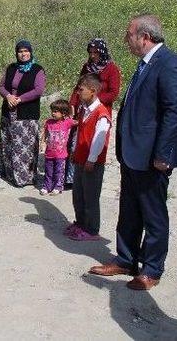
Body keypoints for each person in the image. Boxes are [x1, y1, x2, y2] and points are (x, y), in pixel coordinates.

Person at [89, 14, 177, 290]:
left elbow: (173, 112)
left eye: (129, 34)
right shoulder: (144, 65)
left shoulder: (171, 64)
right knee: (130, 210)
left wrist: (162, 154)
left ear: (144, 37)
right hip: (133, 154)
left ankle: (152, 269)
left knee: (153, 214)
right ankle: (126, 259)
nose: (126, 40)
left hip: (152, 158)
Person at [65, 38, 121, 187]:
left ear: (101, 52)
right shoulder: (87, 67)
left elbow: (113, 92)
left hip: (100, 109)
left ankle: (93, 170)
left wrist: (95, 99)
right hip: (83, 108)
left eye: (95, 52)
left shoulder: (111, 69)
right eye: (90, 52)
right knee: (78, 140)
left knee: (96, 140)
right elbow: (79, 86)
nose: (93, 55)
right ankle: (72, 176)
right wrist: (72, 103)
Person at [64, 74, 111, 241]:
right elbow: (81, 135)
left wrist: (92, 159)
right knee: (78, 194)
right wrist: (75, 153)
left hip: (92, 163)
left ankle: (91, 229)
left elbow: (99, 139)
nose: (78, 92)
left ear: (92, 91)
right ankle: (80, 223)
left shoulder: (101, 113)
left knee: (90, 196)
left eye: (81, 89)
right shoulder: (84, 109)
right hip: (80, 159)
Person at [0, 40, 46, 187]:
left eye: (26, 51)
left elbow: (38, 90)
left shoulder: (37, 70)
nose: (23, 54)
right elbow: (1, 86)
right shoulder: (11, 68)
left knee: (26, 146)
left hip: (27, 113)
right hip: (9, 111)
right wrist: (8, 96)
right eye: (20, 51)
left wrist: (19, 99)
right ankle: (10, 174)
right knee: (9, 143)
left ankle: (25, 177)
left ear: (30, 52)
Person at [39, 99, 76, 196]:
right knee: (48, 171)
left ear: (63, 113)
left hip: (61, 154)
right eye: (52, 111)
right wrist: (42, 143)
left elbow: (78, 122)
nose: (53, 113)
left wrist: (71, 112)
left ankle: (58, 186)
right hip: (49, 153)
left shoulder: (67, 122)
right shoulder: (48, 122)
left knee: (59, 171)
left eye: (55, 111)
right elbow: (45, 134)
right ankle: (47, 186)